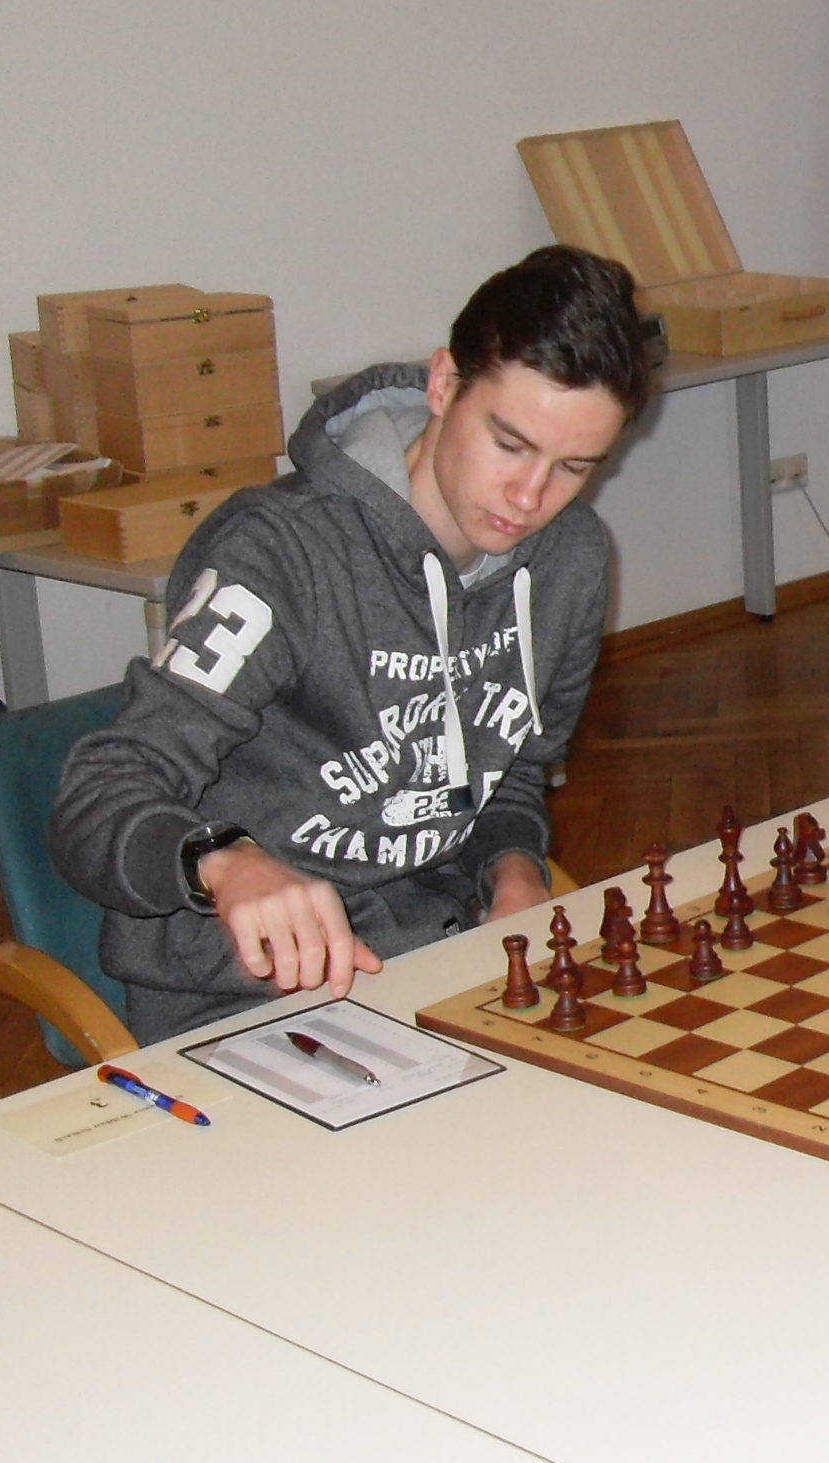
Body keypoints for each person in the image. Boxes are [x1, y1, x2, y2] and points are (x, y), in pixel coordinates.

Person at [52, 245, 652, 1042]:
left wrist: (512, 873)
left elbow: (510, 770)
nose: (530, 496)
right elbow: (99, 793)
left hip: (436, 954)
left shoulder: (569, 561)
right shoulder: (280, 554)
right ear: (444, 384)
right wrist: (223, 861)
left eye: (574, 467)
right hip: (242, 987)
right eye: (509, 444)